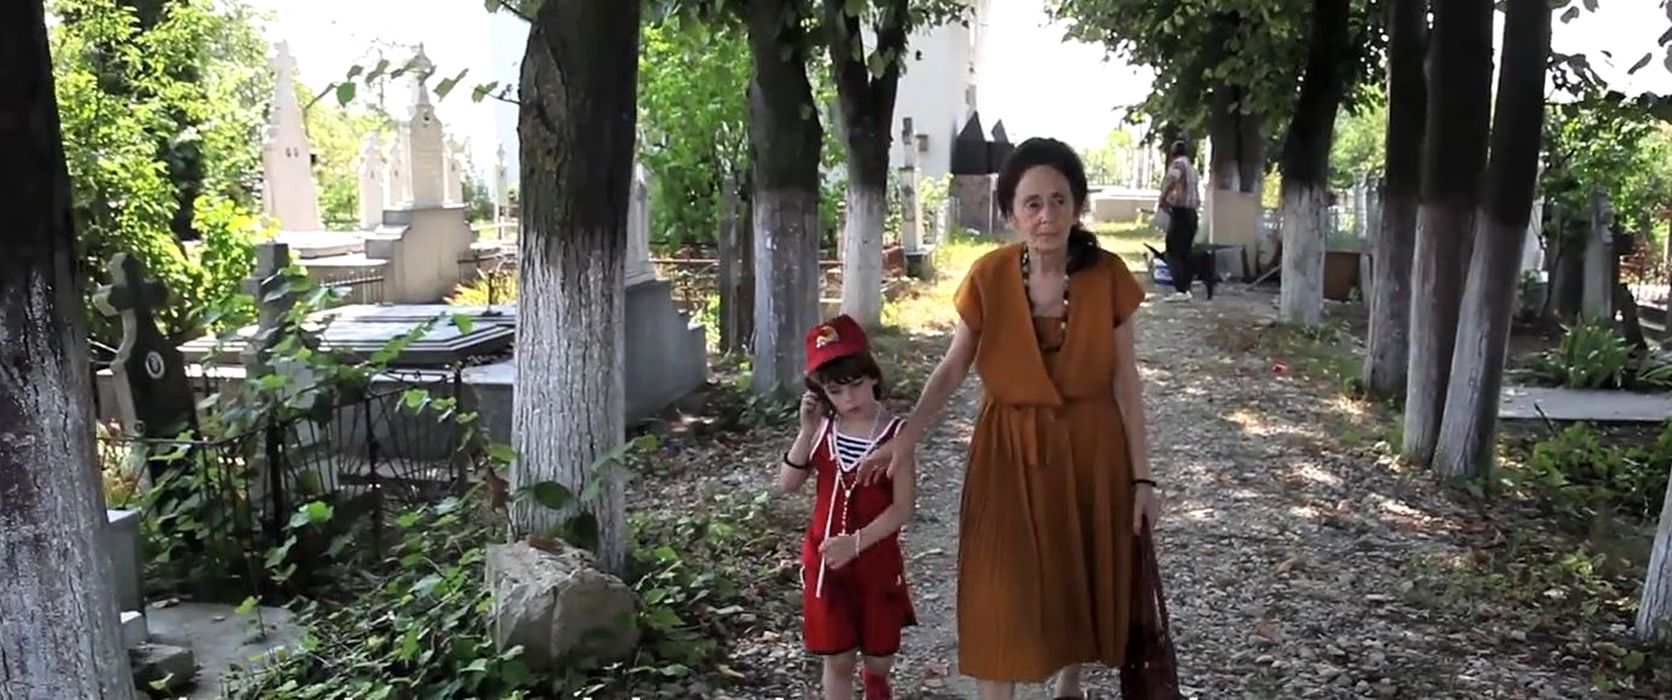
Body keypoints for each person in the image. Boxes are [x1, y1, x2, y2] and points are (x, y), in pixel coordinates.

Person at [860, 137, 1163, 700]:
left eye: (1059, 200)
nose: (1046, 216)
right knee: (999, 591)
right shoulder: (990, 276)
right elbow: (954, 366)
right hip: (1007, 450)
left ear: (1077, 207)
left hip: (1091, 448)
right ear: (1011, 212)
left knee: (1077, 571)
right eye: (1032, 203)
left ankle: (1070, 681)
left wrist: (1143, 480)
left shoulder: (1107, 276)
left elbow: (1126, 382)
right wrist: (907, 437)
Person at [776, 314, 917, 700]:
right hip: (825, 562)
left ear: (873, 376)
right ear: (822, 392)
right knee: (837, 659)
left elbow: (903, 507)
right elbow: (787, 484)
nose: (849, 399)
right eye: (836, 391)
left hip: (876, 561)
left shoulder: (896, 435)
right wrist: (806, 431)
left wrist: (856, 543)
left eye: (856, 385)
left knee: (878, 659)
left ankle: (875, 684)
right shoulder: (822, 430)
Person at [1157, 139, 1202, 302]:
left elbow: (1173, 180)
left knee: (1173, 251)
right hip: (1192, 213)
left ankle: (1181, 289)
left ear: (1173, 152)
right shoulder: (1192, 168)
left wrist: (1163, 197)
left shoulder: (1178, 164)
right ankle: (1186, 288)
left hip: (1180, 213)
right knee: (1185, 252)